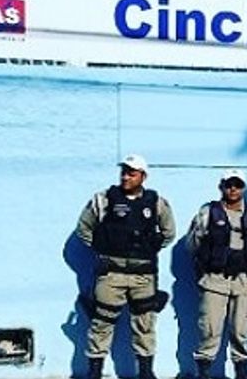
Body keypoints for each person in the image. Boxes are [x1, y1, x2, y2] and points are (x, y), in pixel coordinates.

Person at [75, 153, 176, 379]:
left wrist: (149, 249)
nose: (125, 177)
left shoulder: (156, 203)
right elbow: (83, 229)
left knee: (145, 324)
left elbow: (169, 233)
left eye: (131, 173)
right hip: (111, 274)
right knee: (101, 323)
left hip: (143, 276)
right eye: (123, 172)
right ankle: (94, 372)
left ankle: (146, 372)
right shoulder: (103, 200)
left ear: (143, 176)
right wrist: (102, 248)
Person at [187, 169, 247, 379]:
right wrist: (207, 262)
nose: (233, 189)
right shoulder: (207, 213)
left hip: (245, 280)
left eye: (238, 185)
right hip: (215, 279)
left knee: (241, 329)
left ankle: (241, 372)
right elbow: (192, 244)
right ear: (221, 186)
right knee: (210, 328)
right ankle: (204, 371)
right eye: (229, 184)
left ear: (244, 188)